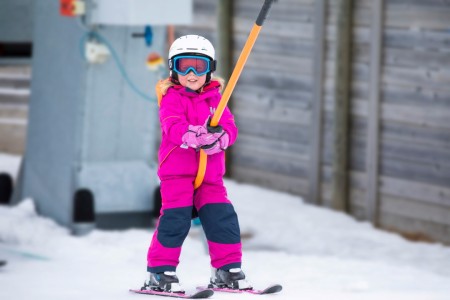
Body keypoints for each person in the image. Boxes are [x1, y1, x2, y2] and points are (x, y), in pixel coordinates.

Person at [143, 35, 251, 293]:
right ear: (173, 69)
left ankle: (227, 269)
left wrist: (221, 140)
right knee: (176, 219)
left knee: (222, 218)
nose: (191, 74)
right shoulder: (171, 97)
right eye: (184, 66)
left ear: (209, 69)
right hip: (177, 174)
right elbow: (172, 124)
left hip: (210, 176)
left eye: (199, 67)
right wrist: (191, 135)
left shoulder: (216, 99)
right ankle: (160, 272)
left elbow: (230, 127)